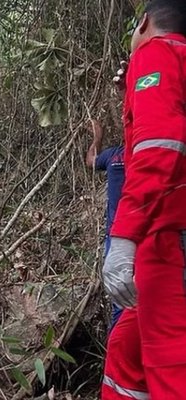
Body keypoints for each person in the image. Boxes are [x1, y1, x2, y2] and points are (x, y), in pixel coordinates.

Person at [101, 1, 186, 399]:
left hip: (170, 242)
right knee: (126, 356)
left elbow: (159, 147)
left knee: (173, 370)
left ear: (144, 22)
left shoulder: (157, 52)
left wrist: (123, 240)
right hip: (164, 239)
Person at [85, 119, 125, 329]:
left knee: (120, 300)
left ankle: (116, 354)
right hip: (134, 234)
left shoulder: (114, 155)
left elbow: (91, 161)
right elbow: (91, 162)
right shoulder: (153, 152)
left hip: (118, 235)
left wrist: (97, 137)